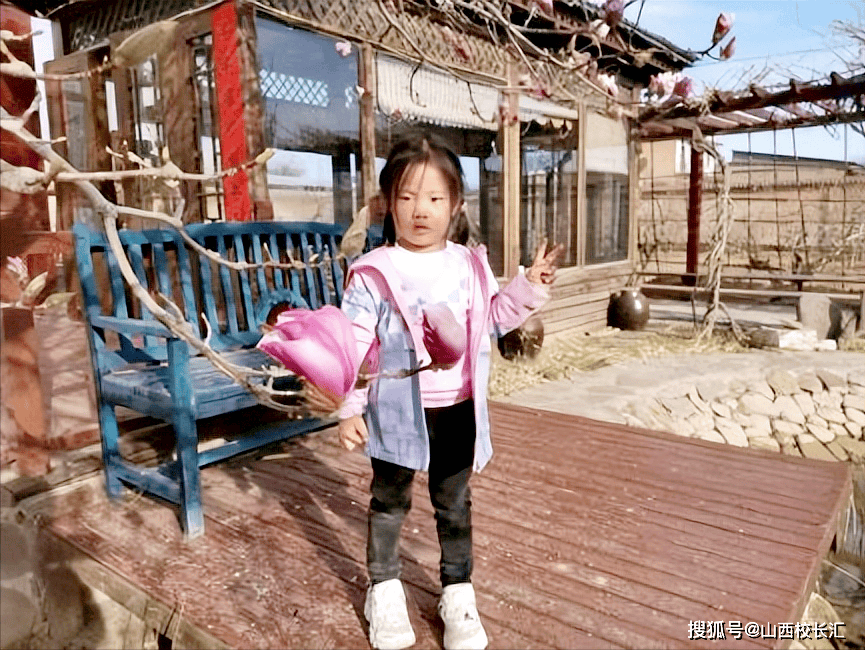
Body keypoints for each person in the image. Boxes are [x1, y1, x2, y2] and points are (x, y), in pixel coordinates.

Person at [338, 133, 562, 650]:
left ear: (455, 204)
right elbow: (354, 344)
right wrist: (350, 407)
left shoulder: (468, 264)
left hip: (458, 409)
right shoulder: (373, 272)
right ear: (388, 202)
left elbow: (493, 319)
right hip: (396, 410)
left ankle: (457, 593)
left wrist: (529, 286)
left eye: (435, 198)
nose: (421, 210)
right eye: (407, 196)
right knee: (389, 501)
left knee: (454, 504)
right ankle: (384, 589)